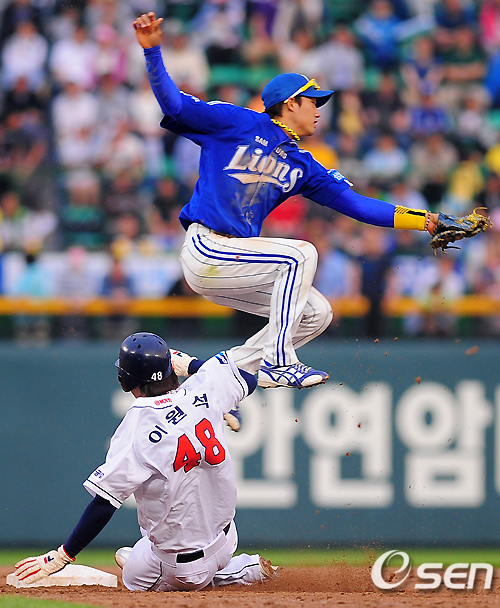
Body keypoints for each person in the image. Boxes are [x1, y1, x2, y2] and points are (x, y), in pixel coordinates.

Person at [134, 12, 441, 389]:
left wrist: (425, 219)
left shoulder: (303, 164)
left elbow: (359, 206)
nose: (318, 110)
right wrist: (153, 52)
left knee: (317, 313)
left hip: (238, 262)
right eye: (313, 101)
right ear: (291, 103)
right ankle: (279, 362)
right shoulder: (238, 122)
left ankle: (214, 375)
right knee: (301, 254)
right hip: (208, 247)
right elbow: (175, 106)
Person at [13, 332, 278, 591]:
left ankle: (238, 570)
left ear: (124, 379)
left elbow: (104, 504)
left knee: (133, 576)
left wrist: (63, 555)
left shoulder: (136, 426)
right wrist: (193, 366)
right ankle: (214, 565)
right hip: (227, 539)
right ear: (171, 368)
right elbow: (247, 379)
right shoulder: (204, 387)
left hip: (182, 567)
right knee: (150, 542)